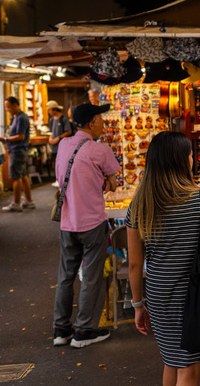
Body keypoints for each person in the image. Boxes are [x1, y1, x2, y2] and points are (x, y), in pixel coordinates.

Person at [126, 131, 200, 386]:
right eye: (191, 155)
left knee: (173, 360)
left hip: (159, 293)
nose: (193, 159)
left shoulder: (139, 203)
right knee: (190, 369)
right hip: (193, 294)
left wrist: (138, 304)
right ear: (182, 160)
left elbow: (134, 264)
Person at [53, 103, 120, 348]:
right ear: (92, 123)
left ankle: (61, 330)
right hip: (92, 222)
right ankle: (84, 331)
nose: (103, 123)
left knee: (66, 276)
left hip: (67, 222)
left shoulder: (62, 145)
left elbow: (62, 179)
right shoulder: (100, 149)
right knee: (91, 277)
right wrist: (102, 181)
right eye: (100, 119)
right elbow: (112, 184)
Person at [0, 96, 34, 211]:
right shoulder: (17, 117)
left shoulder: (21, 118)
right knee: (23, 176)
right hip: (19, 150)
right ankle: (29, 201)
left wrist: (5, 139)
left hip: (17, 151)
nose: (7, 109)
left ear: (15, 105)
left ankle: (16, 203)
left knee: (16, 177)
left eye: (8, 107)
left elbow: (20, 136)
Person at [47, 100, 72, 187]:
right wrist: (51, 138)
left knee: (63, 162)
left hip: (62, 146)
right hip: (54, 146)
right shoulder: (51, 120)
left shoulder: (63, 119)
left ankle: (63, 179)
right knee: (55, 162)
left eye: (50, 110)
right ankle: (57, 179)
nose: (49, 112)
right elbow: (51, 132)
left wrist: (58, 138)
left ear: (54, 109)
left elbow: (68, 131)